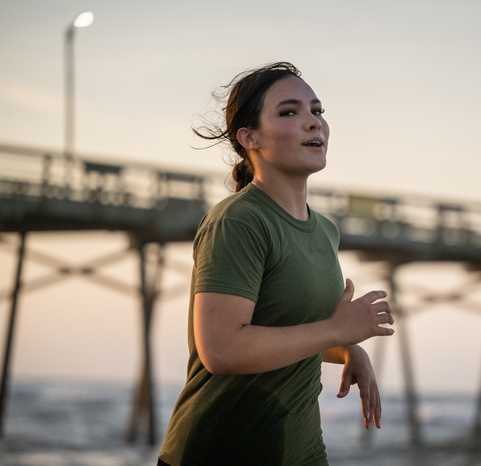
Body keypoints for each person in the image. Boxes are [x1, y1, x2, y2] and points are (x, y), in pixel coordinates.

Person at [157, 62, 394, 466]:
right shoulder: (238, 220)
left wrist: (348, 350)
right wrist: (337, 328)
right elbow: (223, 349)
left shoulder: (324, 231)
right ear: (249, 137)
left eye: (317, 111)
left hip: (298, 452)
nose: (312, 123)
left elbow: (287, 331)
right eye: (289, 112)